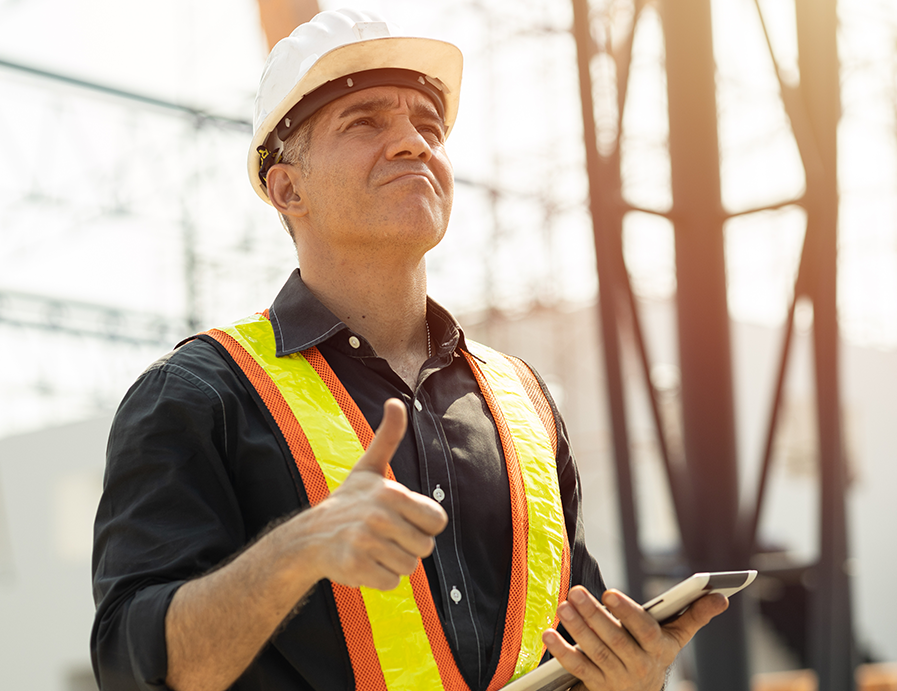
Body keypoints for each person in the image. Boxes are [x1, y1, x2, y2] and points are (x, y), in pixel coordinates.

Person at [91, 9, 727, 691]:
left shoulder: (521, 401)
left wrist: (633, 677)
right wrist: (297, 547)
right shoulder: (199, 395)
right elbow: (134, 668)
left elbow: (571, 646)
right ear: (287, 187)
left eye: (429, 125)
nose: (413, 144)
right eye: (364, 121)